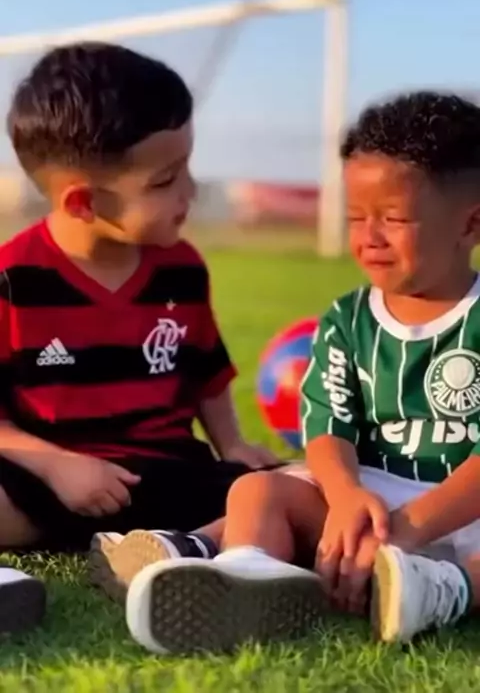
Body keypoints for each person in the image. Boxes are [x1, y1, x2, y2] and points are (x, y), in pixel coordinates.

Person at [118, 91, 480, 655]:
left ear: (470, 223)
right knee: (258, 489)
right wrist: (346, 496)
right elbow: (328, 428)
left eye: (394, 219)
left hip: (461, 509)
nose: (369, 236)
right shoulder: (346, 320)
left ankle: (440, 591)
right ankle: (246, 576)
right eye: (356, 217)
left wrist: (409, 529)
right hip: (372, 502)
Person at [0, 41, 278, 558]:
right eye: (166, 180)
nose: (190, 190)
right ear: (83, 202)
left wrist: (234, 446)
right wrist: (58, 466)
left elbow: (205, 374)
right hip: (49, 478)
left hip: (169, 473)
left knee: (296, 489)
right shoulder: (12, 279)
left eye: (187, 167)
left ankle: (182, 546)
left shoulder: (182, 268)